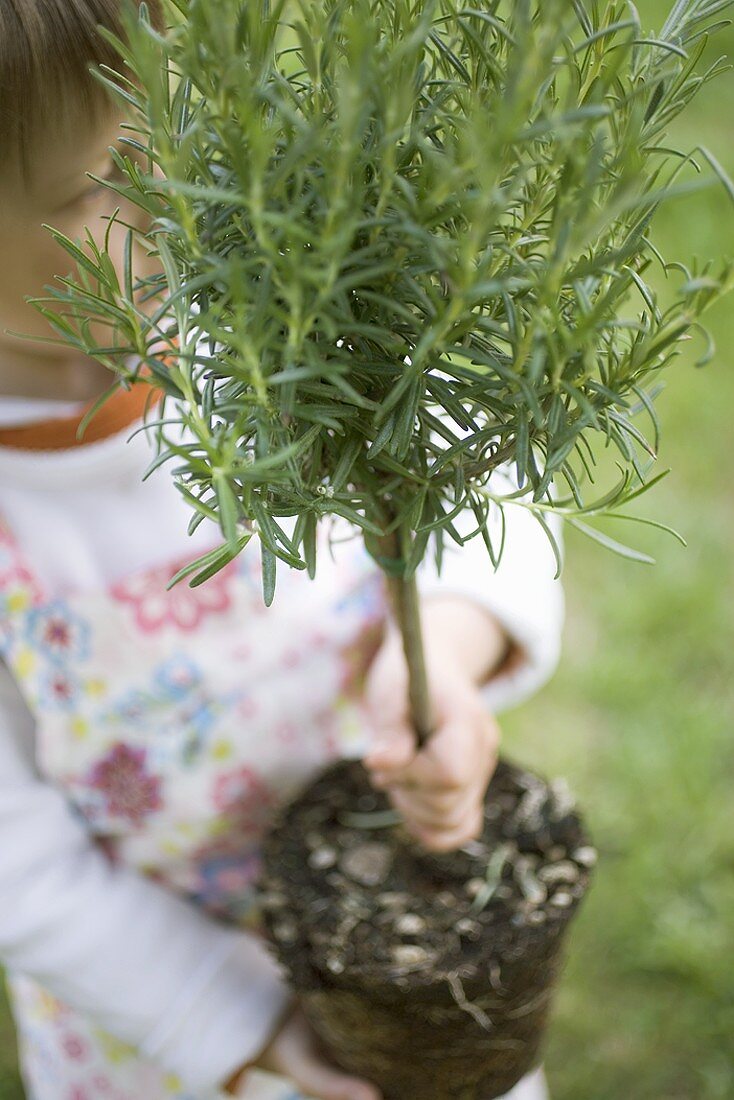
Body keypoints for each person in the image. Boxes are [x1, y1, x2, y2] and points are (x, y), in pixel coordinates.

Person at [0, 3, 564, 1098]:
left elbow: (473, 466)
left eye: (187, 141)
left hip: (413, 931)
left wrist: (443, 646)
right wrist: (234, 1022)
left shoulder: (278, 313)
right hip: (170, 1026)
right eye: (100, 181)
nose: (182, 203)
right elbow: (16, 863)